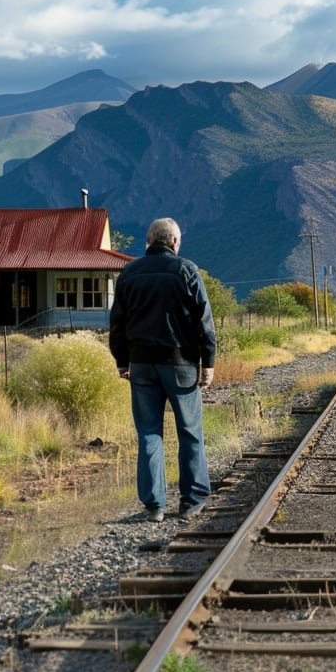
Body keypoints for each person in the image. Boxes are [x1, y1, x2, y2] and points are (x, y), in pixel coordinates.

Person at [108, 217, 216, 522]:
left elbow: (116, 323)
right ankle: (191, 501)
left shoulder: (129, 273)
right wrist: (208, 362)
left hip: (141, 364)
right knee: (190, 432)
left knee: (149, 433)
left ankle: (154, 505)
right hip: (180, 363)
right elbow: (203, 322)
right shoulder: (186, 270)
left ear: (148, 241)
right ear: (175, 242)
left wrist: (121, 360)